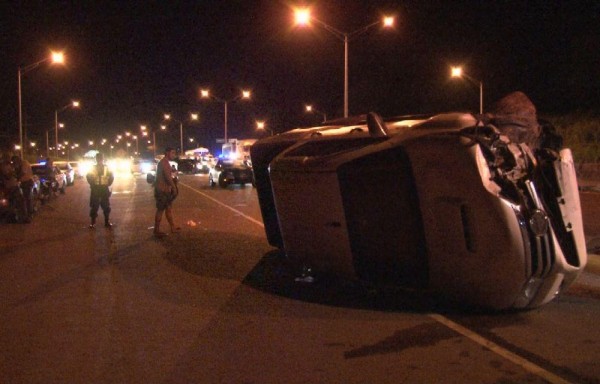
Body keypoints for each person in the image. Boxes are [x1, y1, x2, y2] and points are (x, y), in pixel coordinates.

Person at [153, 147, 180, 237]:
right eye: (172, 153)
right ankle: (156, 230)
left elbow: (168, 175)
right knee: (160, 210)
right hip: (162, 191)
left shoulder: (166, 163)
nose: (174, 154)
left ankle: (173, 227)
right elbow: (168, 178)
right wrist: (174, 187)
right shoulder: (164, 163)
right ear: (167, 153)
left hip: (165, 191)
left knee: (168, 209)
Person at [86, 152, 114, 228]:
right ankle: (93, 222)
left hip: (104, 189)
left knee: (106, 206)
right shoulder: (92, 168)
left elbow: (111, 176)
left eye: (101, 158)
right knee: (94, 206)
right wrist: (92, 184)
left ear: (103, 159)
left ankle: (107, 221)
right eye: (98, 158)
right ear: (96, 159)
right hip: (95, 189)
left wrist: (108, 184)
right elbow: (88, 176)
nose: (100, 160)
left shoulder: (107, 167)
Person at [11, 155, 34, 222]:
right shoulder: (19, 164)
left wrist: (16, 178)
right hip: (23, 183)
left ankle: (29, 213)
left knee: (26, 198)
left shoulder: (24, 163)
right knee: (24, 198)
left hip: (27, 182)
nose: (14, 162)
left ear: (18, 159)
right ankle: (26, 213)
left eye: (14, 161)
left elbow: (23, 173)